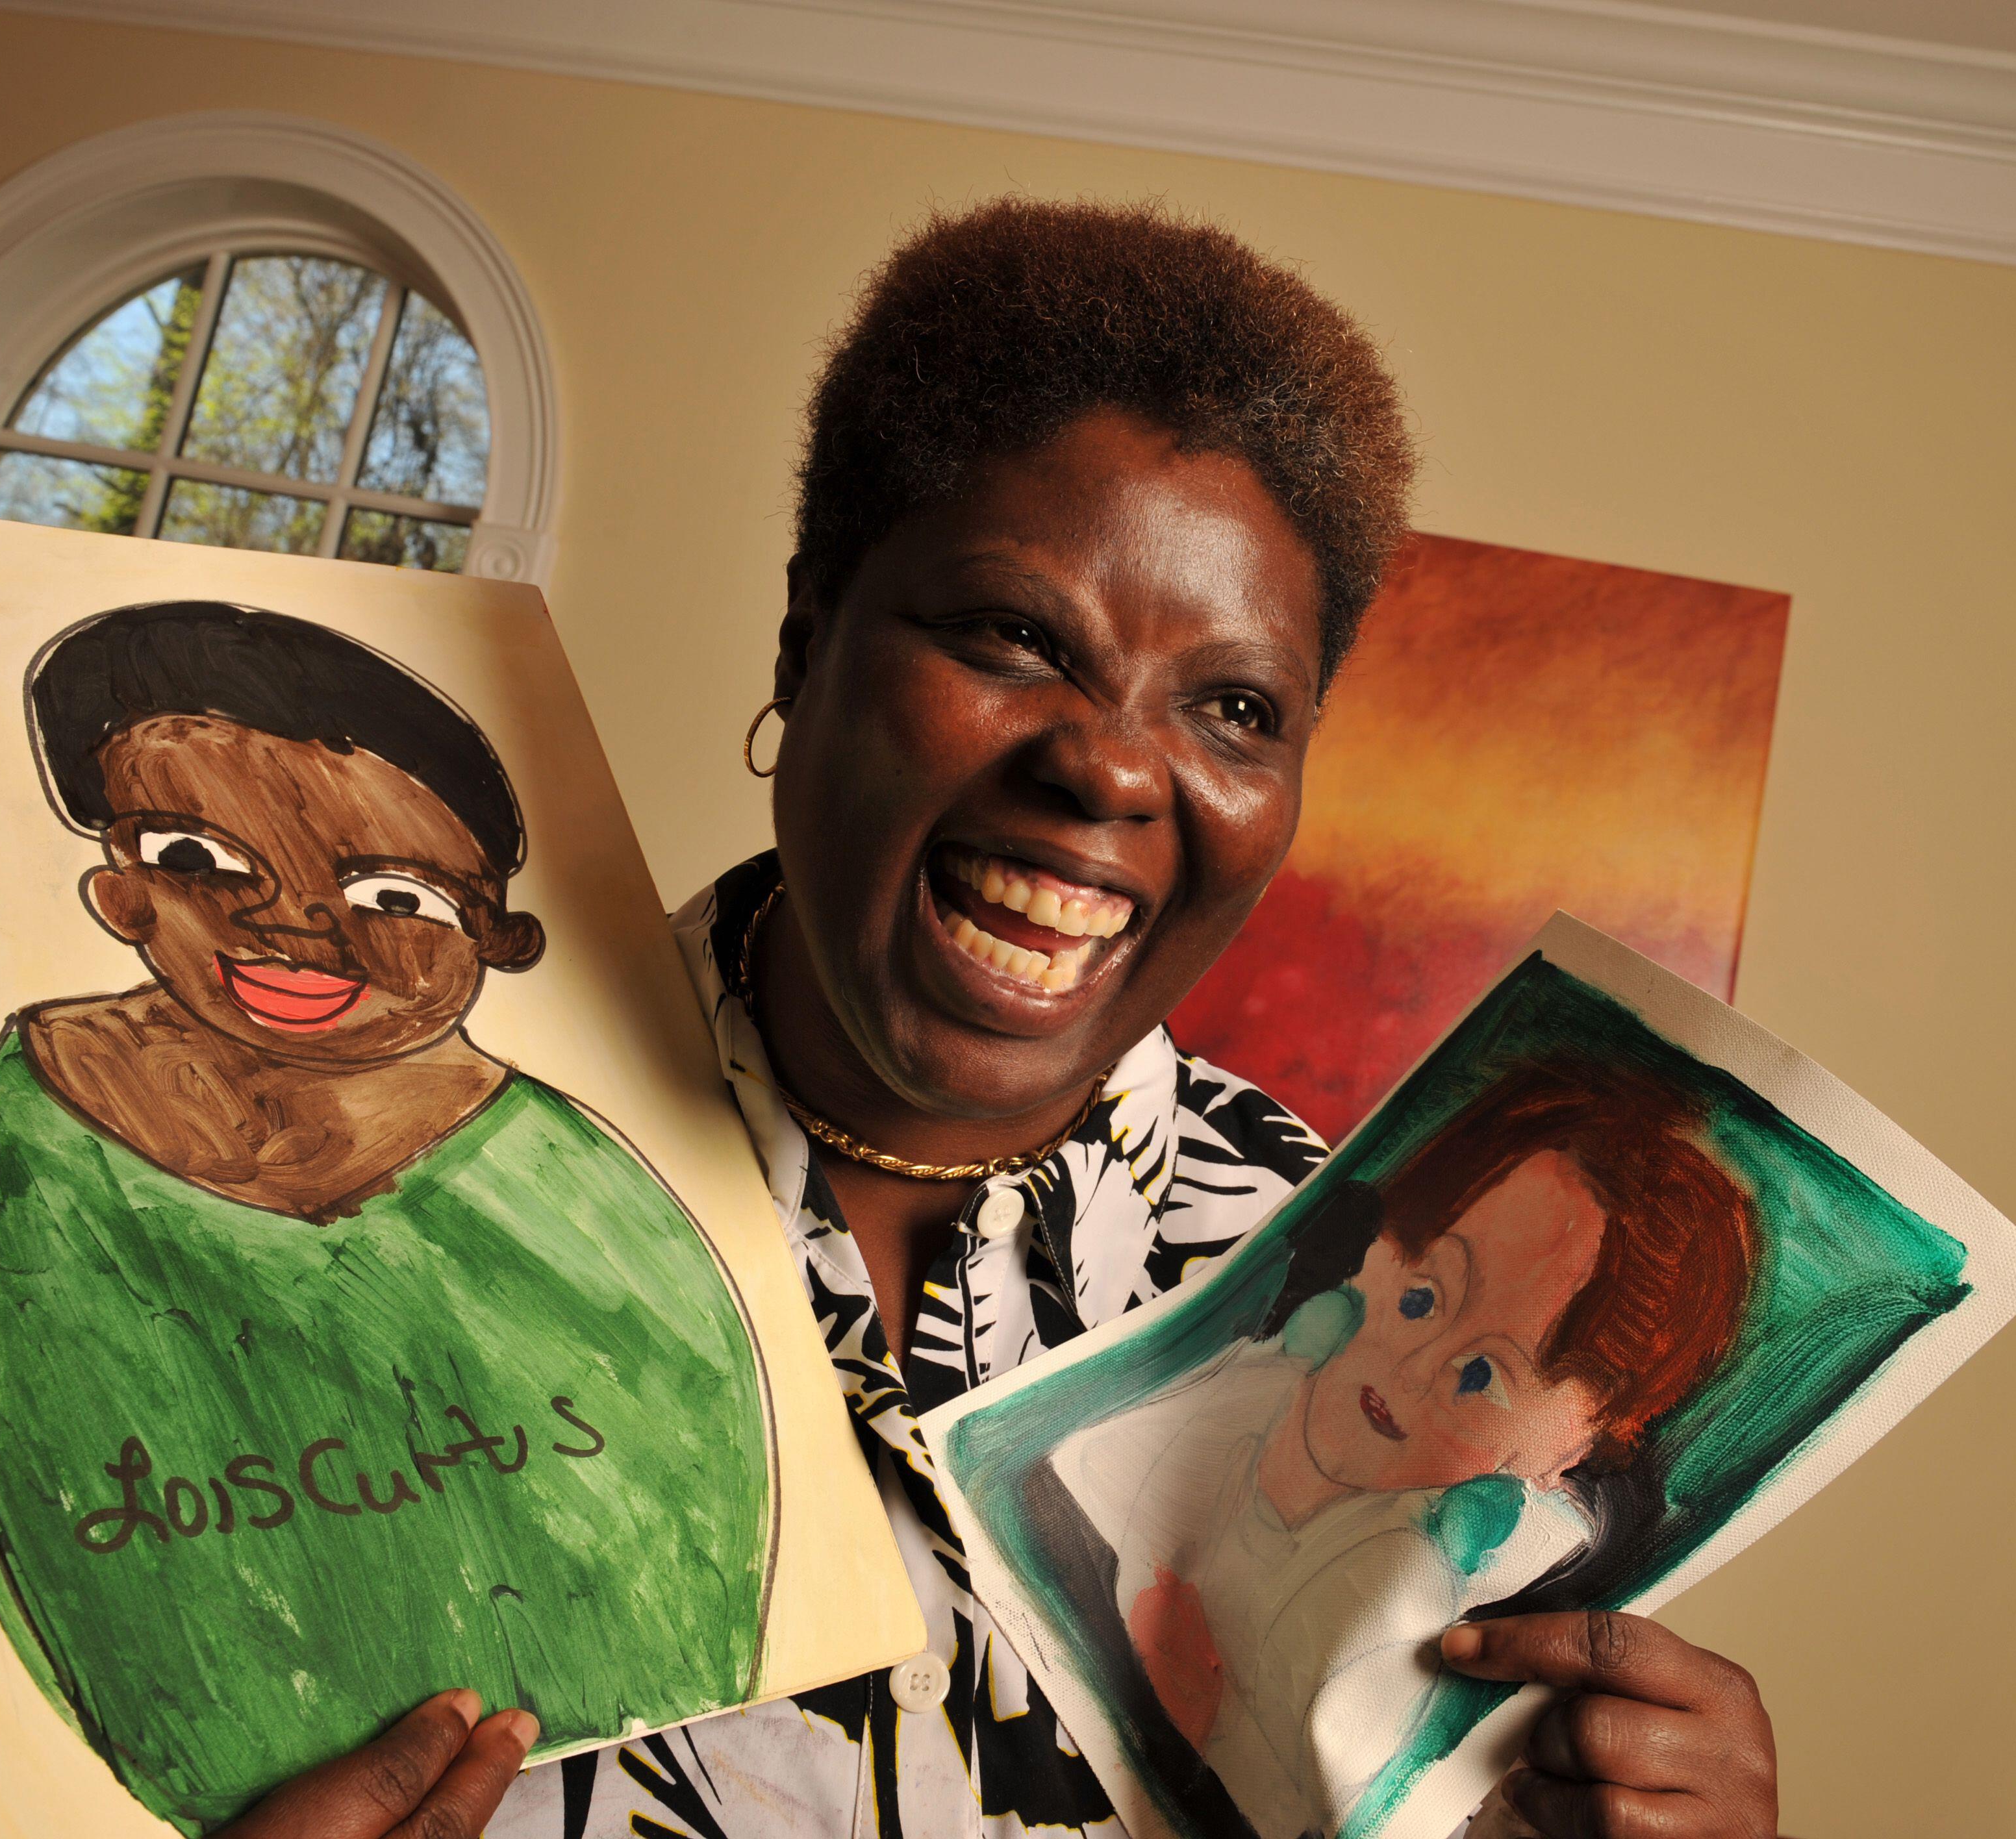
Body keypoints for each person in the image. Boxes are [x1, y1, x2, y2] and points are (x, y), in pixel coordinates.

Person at [217, 200, 1782, 1839]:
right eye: (1011, 635)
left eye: (1235, 708)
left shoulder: (1323, 1252)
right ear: (807, 636)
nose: (1111, 765)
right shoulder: (357, 1180)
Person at [0, 603, 772, 1833]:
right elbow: (38, 1522)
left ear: (497, 933)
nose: (293, 926)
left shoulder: (573, 1188)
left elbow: (682, 1568)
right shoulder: (35, 1129)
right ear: (118, 891)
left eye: (394, 890)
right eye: (197, 858)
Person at [1046, 1058, 1756, 1839]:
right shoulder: (1230, 1381)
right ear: (1381, 1251)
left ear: (1569, 1453)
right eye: (1423, 1300)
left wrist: (1189, 1723)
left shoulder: (1431, 1596)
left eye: (1480, 1379)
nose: (1409, 1374)